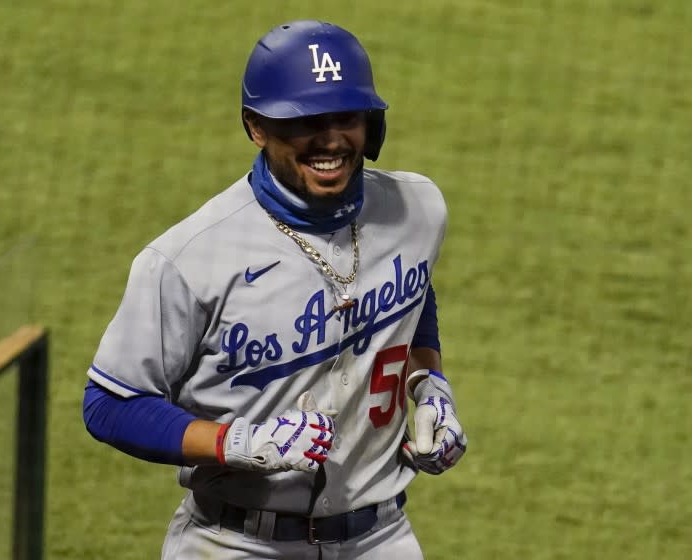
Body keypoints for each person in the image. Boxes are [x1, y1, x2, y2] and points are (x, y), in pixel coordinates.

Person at [83, 20, 467, 559]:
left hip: (381, 537)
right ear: (256, 126)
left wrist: (431, 386)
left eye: (346, 117)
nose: (331, 139)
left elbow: (414, 293)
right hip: (234, 542)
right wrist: (235, 442)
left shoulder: (417, 210)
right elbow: (110, 403)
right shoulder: (187, 259)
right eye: (306, 121)